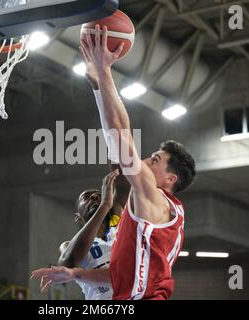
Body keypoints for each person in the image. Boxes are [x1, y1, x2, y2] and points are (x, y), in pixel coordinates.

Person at [31, 25, 196, 300]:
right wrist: (76, 275)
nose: (145, 161)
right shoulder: (152, 216)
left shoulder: (154, 198)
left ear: (170, 179)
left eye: (154, 160)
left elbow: (119, 134)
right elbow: (118, 277)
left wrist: (103, 73)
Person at [56, 167, 128, 300]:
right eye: (86, 197)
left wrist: (115, 149)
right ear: (78, 216)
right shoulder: (69, 245)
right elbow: (67, 265)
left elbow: (122, 180)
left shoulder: (119, 225)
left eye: (99, 195)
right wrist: (104, 204)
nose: (95, 196)